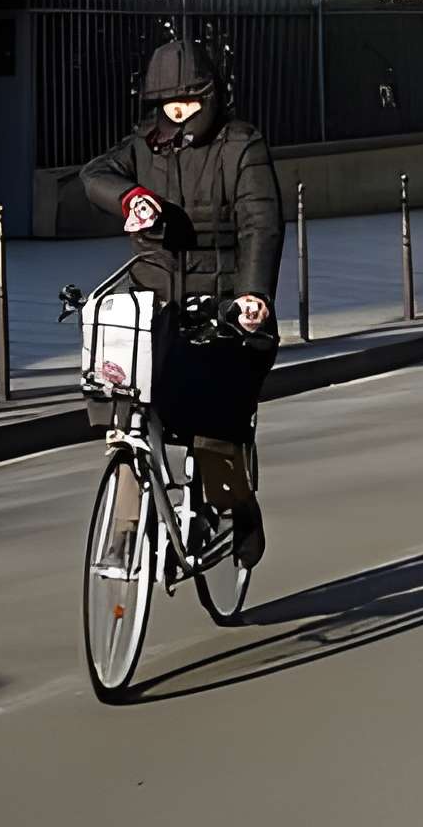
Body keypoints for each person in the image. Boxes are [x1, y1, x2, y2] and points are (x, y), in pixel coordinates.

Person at [80, 39, 283, 567]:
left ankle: (238, 506)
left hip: (222, 310)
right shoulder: (143, 146)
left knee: (213, 428)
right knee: (124, 415)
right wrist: (130, 198)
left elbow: (261, 222)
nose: (177, 111)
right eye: (168, 101)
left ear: (210, 96)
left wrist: (253, 294)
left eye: (189, 100)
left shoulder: (242, 145)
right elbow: (94, 174)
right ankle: (125, 531)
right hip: (155, 308)